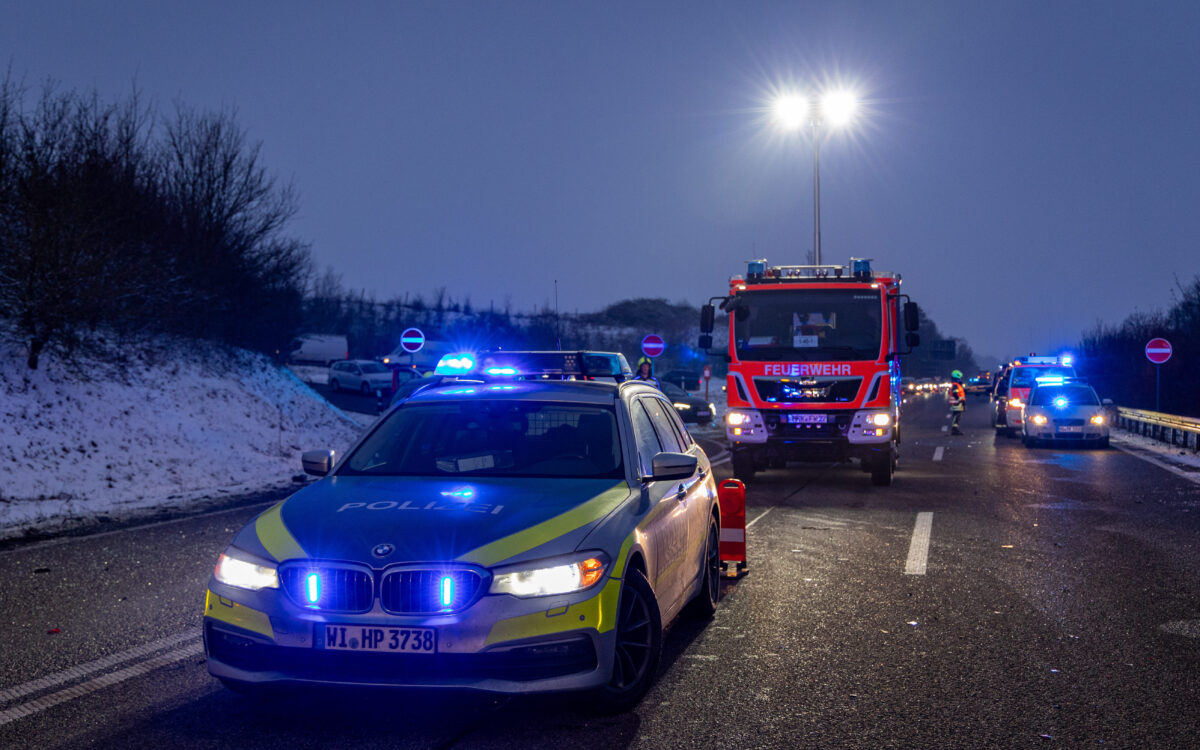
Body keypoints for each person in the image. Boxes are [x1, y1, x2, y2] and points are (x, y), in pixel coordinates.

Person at [948, 369, 966, 435]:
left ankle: (955, 429)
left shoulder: (956, 385)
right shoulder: (955, 385)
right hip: (957, 403)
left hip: (957, 403)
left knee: (957, 416)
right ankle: (954, 430)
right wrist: (959, 400)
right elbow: (955, 394)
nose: (961, 379)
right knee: (956, 416)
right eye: (960, 378)